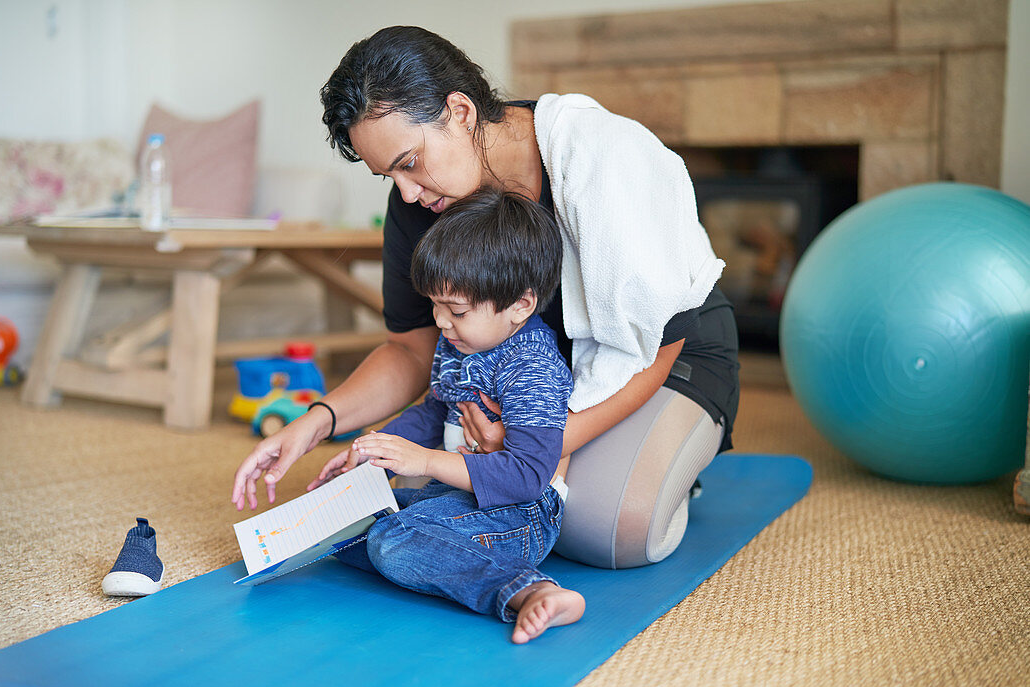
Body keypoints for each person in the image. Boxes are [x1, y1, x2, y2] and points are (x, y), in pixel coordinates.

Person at [231, 25, 740, 571]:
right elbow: (410, 350)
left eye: (408, 163)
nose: (405, 193)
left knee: (609, 531)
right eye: (389, 175)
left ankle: (677, 470)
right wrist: (317, 421)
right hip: (521, 381)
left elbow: (658, 344)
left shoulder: (601, 156)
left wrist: (535, 444)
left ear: (460, 112)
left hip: (667, 358)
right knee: (460, 496)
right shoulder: (420, 201)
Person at [314, 187, 582, 643]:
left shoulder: (532, 367)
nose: (440, 322)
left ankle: (529, 590)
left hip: (519, 514)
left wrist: (420, 461)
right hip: (455, 500)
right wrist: (373, 450)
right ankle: (431, 548)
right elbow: (437, 409)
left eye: (455, 310)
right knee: (345, 522)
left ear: (521, 303)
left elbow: (527, 477)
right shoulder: (462, 340)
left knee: (391, 542)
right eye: (435, 306)